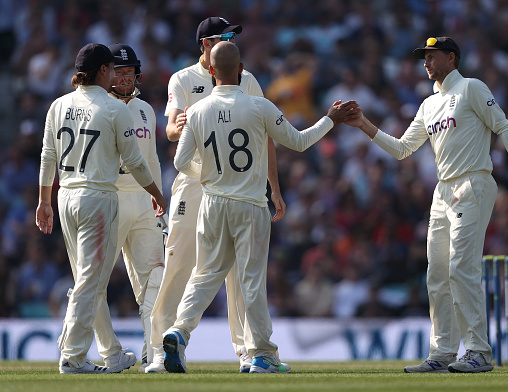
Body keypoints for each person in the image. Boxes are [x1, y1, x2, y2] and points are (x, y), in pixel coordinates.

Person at [162, 41, 359, 374]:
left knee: (205, 275)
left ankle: (179, 331)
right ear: (241, 69)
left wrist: (209, 175)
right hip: (250, 206)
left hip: (212, 204)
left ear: (211, 72)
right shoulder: (260, 106)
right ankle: (263, 355)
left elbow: (181, 162)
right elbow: (298, 142)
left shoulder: (195, 112)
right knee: (250, 281)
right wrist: (330, 119)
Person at [346, 37, 508, 373]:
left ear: (451, 58)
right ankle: (443, 352)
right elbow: (404, 148)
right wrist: (364, 124)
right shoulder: (428, 105)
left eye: (432, 57)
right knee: (436, 274)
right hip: (443, 190)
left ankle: (478, 351)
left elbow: (504, 127)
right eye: (424, 57)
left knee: (461, 268)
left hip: (473, 181)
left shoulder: (472, 88)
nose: (426, 63)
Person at [147, 16, 285, 373]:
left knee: (240, 273)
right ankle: (162, 351)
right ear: (206, 43)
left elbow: (265, 133)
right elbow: (171, 130)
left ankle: (249, 351)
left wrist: (274, 185)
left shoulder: (247, 79)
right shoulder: (183, 78)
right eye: (225, 36)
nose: (232, 41)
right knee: (179, 262)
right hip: (195, 180)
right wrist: (184, 123)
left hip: (239, 184)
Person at [36, 43, 167, 374]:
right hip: (98, 197)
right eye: (112, 68)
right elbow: (136, 161)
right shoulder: (113, 109)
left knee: (90, 279)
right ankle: (72, 354)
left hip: (66, 196)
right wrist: (158, 193)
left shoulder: (58, 105)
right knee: (89, 281)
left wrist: (43, 201)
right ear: (102, 70)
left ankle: (112, 354)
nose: (117, 75)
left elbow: (48, 156)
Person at [100, 43, 165, 373]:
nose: (125, 77)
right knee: (93, 283)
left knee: (155, 279)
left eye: (130, 71)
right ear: (107, 74)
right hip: (108, 200)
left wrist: (159, 198)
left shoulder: (145, 110)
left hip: (143, 202)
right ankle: (99, 352)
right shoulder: (99, 106)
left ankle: (154, 352)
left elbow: (151, 158)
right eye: (119, 72)